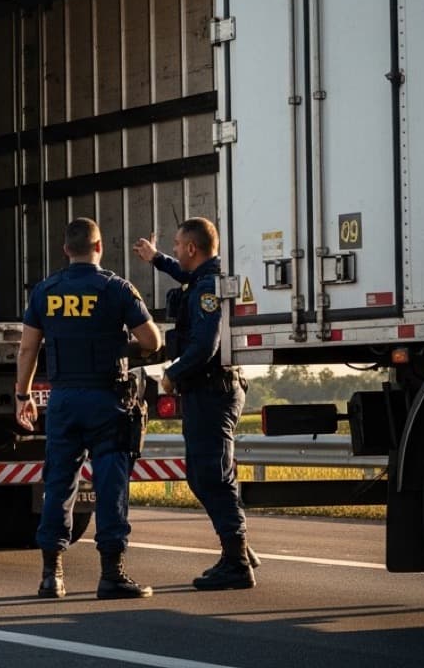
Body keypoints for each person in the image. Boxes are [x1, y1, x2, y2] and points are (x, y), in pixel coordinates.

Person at [17, 219, 163, 600]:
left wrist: (23, 396)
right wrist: (123, 348)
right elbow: (152, 340)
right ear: (99, 248)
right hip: (107, 399)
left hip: (64, 400)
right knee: (111, 483)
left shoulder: (45, 291)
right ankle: (111, 574)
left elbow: (28, 349)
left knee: (59, 483)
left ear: (66, 250)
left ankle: (52, 575)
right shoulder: (116, 289)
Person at [133, 218, 257, 590]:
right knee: (212, 474)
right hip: (210, 390)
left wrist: (174, 371)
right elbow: (185, 277)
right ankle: (240, 548)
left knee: (209, 476)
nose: (173, 250)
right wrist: (156, 259)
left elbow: (206, 345)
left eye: (175, 245)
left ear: (192, 248)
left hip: (211, 390)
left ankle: (236, 562)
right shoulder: (205, 277)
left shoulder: (207, 287)